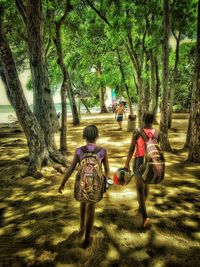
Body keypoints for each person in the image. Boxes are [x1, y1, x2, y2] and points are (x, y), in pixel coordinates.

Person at [58, 125, 110, 248]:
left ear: (84, 137)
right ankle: (87, 239)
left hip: (81, 184)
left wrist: (62, 183)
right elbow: (107, 170)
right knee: (91, 208)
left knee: (83, 202)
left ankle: (82, 228)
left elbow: (70, 169)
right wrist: (104, 181)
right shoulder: (102, 151)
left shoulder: (79, 151)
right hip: (95, 184)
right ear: (97, 136)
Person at [124, 112, 160, 229]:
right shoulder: (157, 133)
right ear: (153, 120)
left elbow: (131, 149)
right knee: (147, 185)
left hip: (139, 161)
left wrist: (126, 164)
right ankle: (141, 208)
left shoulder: (137, 132)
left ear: (142, 119)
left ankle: (145, 217)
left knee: (140, 189)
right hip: (151, 161)